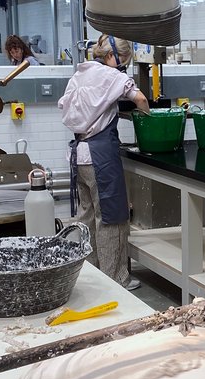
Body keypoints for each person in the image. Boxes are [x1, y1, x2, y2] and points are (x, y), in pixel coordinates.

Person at [58, 34, 149, 291]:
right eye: (123, 61)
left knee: (88, 216)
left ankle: (92, 274)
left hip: (78, 155)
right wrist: (149, 115)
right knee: (111, 217)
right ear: (112, 56)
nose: (123, 67)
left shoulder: (79, 74)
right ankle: (115, 279)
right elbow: (140, 99)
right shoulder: (114, 76)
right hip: (101, 156)